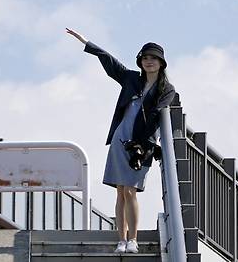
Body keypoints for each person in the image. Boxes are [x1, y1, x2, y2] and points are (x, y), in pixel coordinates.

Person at [66, 28, 176, 254]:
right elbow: (110, 62)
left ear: (162, 62)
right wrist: (86, 42)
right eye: (145, 58)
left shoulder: (167, 89)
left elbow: (156, 117)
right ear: (140, 61)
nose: (149, 62)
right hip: (120, 140)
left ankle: (133, 240)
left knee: (131, 190)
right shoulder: (131, 78)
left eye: (153, 58)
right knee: (120, 191)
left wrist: (143, 145)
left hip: (142, 145)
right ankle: (121, 240)